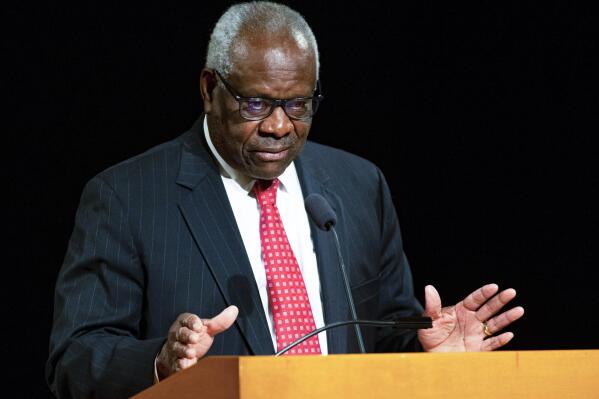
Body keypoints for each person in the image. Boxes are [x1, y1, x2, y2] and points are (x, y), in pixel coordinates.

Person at [46, 2, 524, 398]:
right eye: (255, 103)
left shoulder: (358, 185)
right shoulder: (127, 196)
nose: (279, 126)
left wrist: (427, 355)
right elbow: (75, 358)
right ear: (210, 90)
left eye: (298, 105)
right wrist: (160, 362)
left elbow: (376, 337)